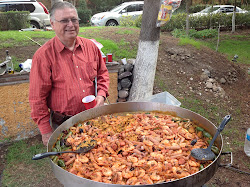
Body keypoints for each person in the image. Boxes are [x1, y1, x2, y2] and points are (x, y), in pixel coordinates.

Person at [29, 1, 109, 146]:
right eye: (64, 20)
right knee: (70, 163)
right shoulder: (43, 56)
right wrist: (46, 132)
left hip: (93, 118)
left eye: (74, 19)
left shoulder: (91, 47)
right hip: (63, 124)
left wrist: (101, 95)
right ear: (52, 24)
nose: (71, 24)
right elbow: (37, 98)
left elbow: (102, 74)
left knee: (97, 159)